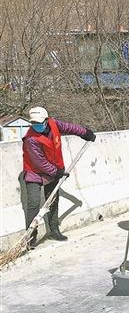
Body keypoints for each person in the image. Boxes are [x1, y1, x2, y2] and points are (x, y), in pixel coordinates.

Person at [21, 106, 95, 248]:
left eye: (39, 123)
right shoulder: (30, 139)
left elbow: (70, 128)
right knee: (33, 204)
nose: (36, 125)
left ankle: (54, 230)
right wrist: (57, 173)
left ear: (46, 120)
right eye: (33, 123)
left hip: (54, 169)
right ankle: (30, 237)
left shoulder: (54, 124)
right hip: (34, 172)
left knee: (53, 200)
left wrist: (85, 133)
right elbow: (40, 163)